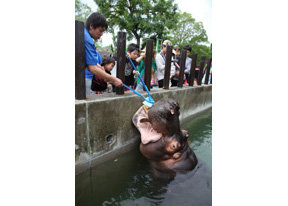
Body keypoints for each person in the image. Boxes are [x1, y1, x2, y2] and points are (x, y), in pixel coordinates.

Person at [84, 12, 122, 96]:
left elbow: (87, 63)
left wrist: (97, 66)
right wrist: (114, 79)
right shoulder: (87, 39)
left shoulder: (82, 34)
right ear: (91, 26)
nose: (101, 34)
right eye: (100, 31)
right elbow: (92, 68)